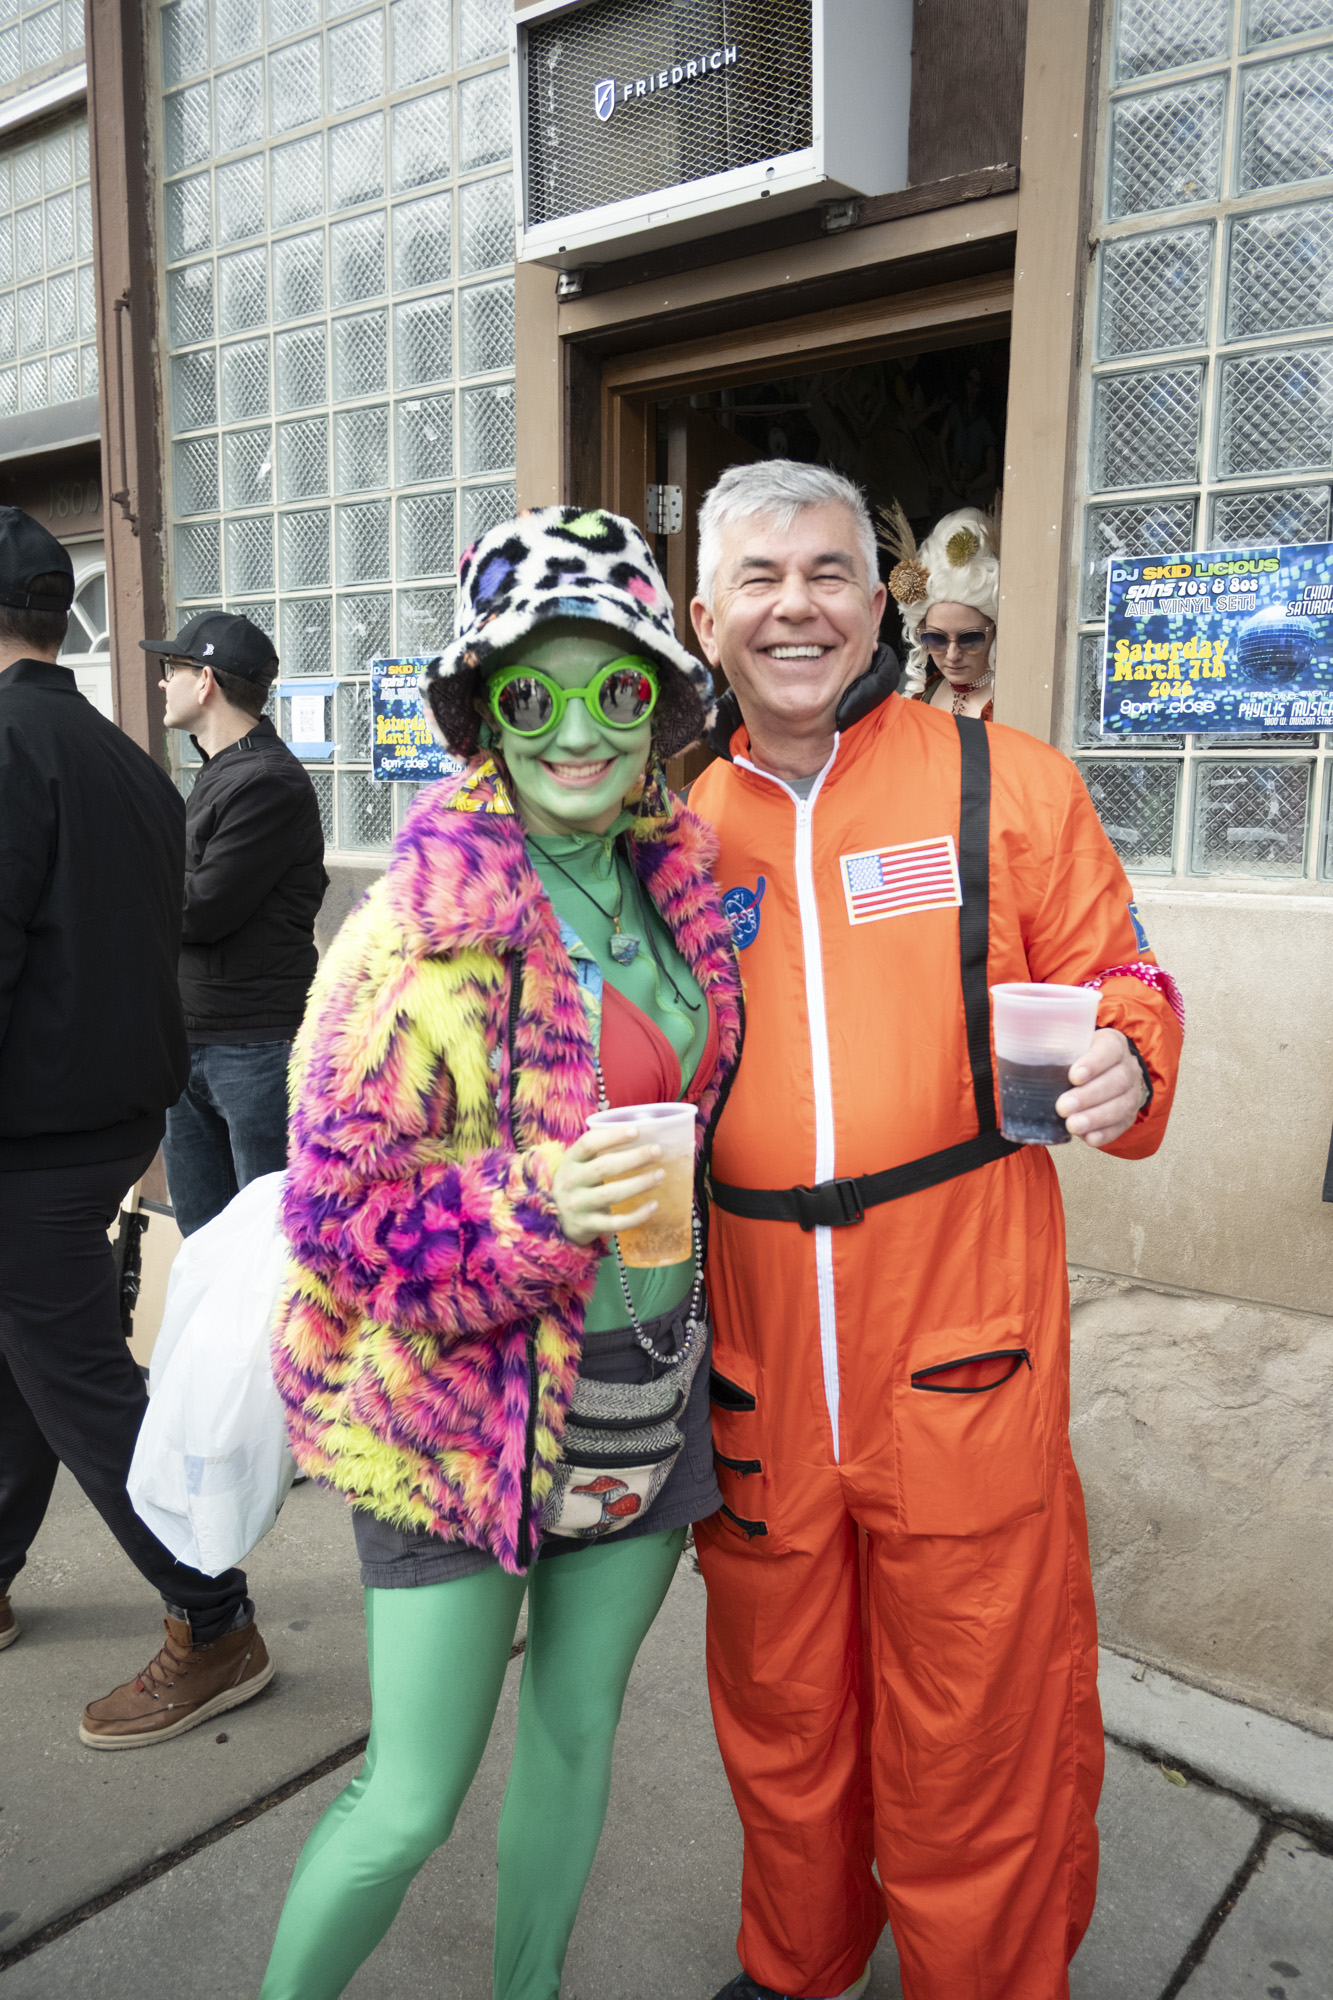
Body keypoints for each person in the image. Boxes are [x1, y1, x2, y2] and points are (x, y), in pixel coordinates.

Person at [686, 460, 1184, 2000]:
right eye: (760, 579)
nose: (797, 608)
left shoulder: (1007, 785)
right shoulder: (669, 829)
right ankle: (799, 1962)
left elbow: (1124, 976)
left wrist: (1131, 1055)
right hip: (760, 1371)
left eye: (828, 572)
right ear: (705, 620)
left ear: (879, 601)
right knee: (781, 1713)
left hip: (965, 1353)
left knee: (979, 1721)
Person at [261, 505, 742, 2000]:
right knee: (408, 1800)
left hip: (645, 1397)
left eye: (617, 690)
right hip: (460, 1424)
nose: (579, 733)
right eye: (535, 696)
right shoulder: (415, 932)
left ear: (662, 706)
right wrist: (537, 1210)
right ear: (485, 712)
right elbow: (334, 1219)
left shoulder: (681, 885)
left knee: (577, 1733)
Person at [0, 507, 272, 1742]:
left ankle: (213, 1615)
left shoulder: (14, 747)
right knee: (28, 1358)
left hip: (37, 1132)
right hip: (111, 1109)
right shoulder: (128, 762)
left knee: (80, 1380)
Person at [146, 611, 326, 1238]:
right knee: (204, 1246)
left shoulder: (266, 782)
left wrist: (126, 887)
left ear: (205, 682)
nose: (162, 681)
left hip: (253, 1049)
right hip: (191, 1039)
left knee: (267, 1249)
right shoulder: (221, 771)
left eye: (172, 668)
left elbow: (201, 908)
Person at [881, 499, 1000, 719]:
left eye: (970, 639)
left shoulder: (1010, 705)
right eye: (936, 639)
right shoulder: (924, 693)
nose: (952, 655)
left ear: (994, 631)